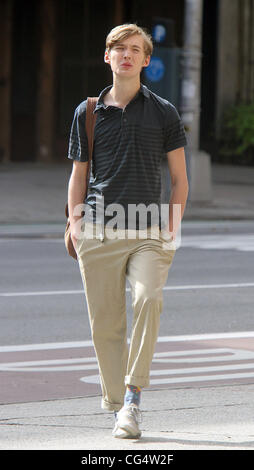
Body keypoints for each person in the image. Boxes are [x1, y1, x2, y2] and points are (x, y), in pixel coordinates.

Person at [67, 23, 189, 439]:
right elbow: (78, 175)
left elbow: (180, 179)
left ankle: (133, 397)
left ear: (146, 60)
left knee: (149, 299)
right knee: (106, 326)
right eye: (119, 49)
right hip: (99, 231)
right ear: (107, 57)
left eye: (135, 50)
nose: (126, 55)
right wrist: (76, 223)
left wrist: (171, 231)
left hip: (149, 231)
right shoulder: (87, 112)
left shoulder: (164, 112)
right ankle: (118, 406)